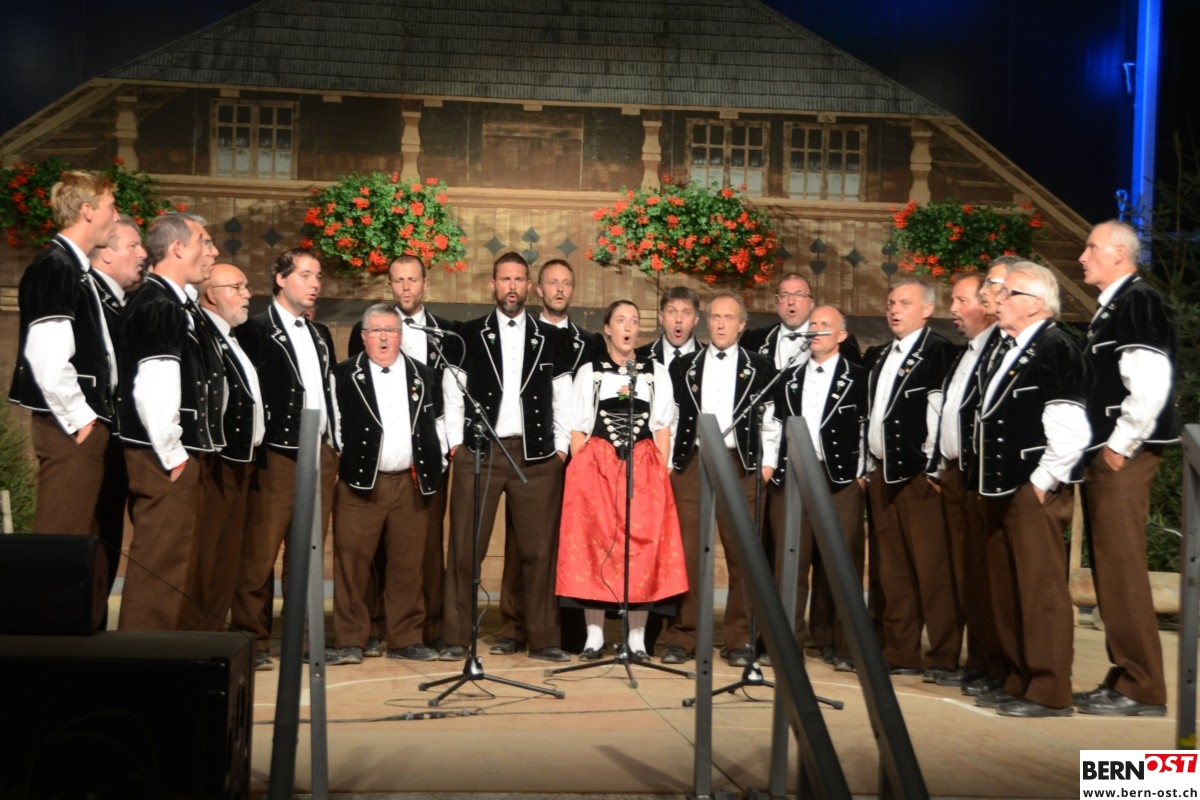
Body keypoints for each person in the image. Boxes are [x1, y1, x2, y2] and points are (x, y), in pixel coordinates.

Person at [439, 252, 572, 663]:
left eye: (518, 279)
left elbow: (563, 397)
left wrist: (561, 449)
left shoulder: (550, 337)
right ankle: (455, 637)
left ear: (529, 286)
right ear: (492, 285)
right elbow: (452, 391)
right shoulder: (467, 334)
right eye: (504, 279)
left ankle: (543, 638)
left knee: (539, 552)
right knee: (465, 547)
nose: (511, 287)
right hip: (480, 451)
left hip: (537, 455)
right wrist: (455, 445)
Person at [974, 261, 1090, 717]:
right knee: (1008, 589)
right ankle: (1018, 678)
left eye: (1011, 293)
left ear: (1037, 303)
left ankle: (1049, 689)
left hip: (1030, 490)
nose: (1000, 299)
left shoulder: (1056, 347)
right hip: (1001, 488)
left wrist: (1040, 485)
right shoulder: (1014, 347)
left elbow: (1072, 432)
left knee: (1040, 592)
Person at [1074, 220, 1178, 717]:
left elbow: (1151, 381)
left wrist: (1120, 446)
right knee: (1111, 568)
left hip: (1123, 455)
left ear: (1119, 252)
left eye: (1091, 247)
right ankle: (1127, 678)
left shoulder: (1139, 301)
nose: (1082, 256)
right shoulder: (1116, 305)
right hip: (1111, 453)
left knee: (1121, 567)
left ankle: (1142, 687)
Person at [556, 300, 687, 660]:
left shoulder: (655, 372)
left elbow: (663, 426)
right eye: (620, 320)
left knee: (643, 548)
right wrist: (583, 470)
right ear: (607, 329)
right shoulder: (590, 372)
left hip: (643, 468)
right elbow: (578, 426)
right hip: (597, 469)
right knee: (594, 543)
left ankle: (637, 639)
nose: (628, 327)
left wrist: (660, 470)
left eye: (634, 320)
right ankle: (594, 636)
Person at [231, 248, 339, 670]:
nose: (315, 284)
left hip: (319, 453)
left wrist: (335, 444)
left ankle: (304, 641)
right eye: (306, 275)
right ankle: (251, 639)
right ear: (280, 278)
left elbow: (328, 391)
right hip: (276, 455)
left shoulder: (321, 334)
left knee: (307, 555)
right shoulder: (255, 330)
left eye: (318, 276)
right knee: (258, 553)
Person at [116, 212, 224, 631]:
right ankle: (142, 657)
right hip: (162, 456)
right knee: (160, 562)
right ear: (177, 247)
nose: (213, 251)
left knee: (174, 561)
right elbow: (153, 386)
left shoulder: (174, 303)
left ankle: (161, 652)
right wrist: (173, 454)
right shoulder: (158, 304)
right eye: (205, 241)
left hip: (172, 454)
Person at [348, 254, 458, 653]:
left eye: (413, 279)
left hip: (426, 458)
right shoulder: (365, 330)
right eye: (398, 280)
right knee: (369, 550)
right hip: (375, 461)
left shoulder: (445, 333)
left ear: (425, 283)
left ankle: (423, 629)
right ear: (390, 285)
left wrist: (445, 449)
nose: (406, 287)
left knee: (420, 548)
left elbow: (448, 398)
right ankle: (370, 628)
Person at [662, 292, 779, 667]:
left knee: (743, 553)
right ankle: (684, 635)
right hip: (693, 461)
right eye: (715, 317)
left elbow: (772, 419)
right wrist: (670, 464)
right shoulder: (685, 366)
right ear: (706, 322)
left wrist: (767, 465)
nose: (722, 324)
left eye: (729, 318)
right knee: (688, 552)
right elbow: (671, 417)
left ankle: (740, 639)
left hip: (740, 463)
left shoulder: (761, 365)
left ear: (742, 324)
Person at [495, 257, 604, 655]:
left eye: (566, 283)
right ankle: (514, 626)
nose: (559, 289)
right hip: (535, 453)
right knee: (521, 542)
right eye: (552, 283)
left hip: (578, 455)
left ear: (573, 290)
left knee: (571, 541)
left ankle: (567, 628)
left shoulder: (589, 342)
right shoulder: (522, 331)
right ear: (538, 289)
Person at [328, 304, 446, 665]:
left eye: (390, 331)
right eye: (376, 331)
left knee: (407, 564)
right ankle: (351, 639)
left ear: (400, 336)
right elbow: (335, 425)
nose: (383, 337)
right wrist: (348, 460)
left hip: (410, 483)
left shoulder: (423, 374)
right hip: (360, 483)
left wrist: (436, 463)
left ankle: (405, 638)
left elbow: (438, 424)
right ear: (364, 336)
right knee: (352, 563)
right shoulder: (343, 375)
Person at [10, 171, 120, 548]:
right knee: (60, 538)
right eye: (111, 207)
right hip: (68, 426)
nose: (116, 216)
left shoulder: (74, 268)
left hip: (78, 424)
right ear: (88, 210)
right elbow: (46, 354)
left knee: (76, 541)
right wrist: (80, 419)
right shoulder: (55, 266)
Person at [763, 305, 867, 672]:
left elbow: (865, 425)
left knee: (842, 563)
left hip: (840, 479)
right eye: (813, 324)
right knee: (789, 564)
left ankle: (842, 645)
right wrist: (771, 467)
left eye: (825, 324)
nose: (816, 329)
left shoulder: (858, 376)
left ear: (841, 335)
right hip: (793, 476)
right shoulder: (789, 377)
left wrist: (861, 474)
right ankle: (786, 645)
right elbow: (774, 425)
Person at [865, 277, 957, 677]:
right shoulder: (882, 354)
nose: (894, 309)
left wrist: (934, 469)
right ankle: (901, 652)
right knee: (894, 570)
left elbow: (940, 414)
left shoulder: (938, 351)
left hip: (920, 477)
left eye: (904, 302)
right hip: (883, 473)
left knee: (932, 569)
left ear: (927, 309)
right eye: (890, 303)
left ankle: (944, 655)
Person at [926, 272, 998, 688]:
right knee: (958, 570)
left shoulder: (995, 352)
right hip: (954, 472)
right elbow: (948, 415)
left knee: (982, 572)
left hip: (979, 474)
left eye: (961, 301)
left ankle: (991, 662)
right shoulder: (965, 353)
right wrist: (938, 463)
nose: (952, 309)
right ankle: (975, 660)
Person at [189, 263, 265, 631]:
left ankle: (213, 631)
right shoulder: (204, 335)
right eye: (237, 287)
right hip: (218, 460)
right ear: (211, 294)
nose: (247, 294)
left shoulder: (231, 337)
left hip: (241, 461)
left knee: (227, 555)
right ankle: (195, 631)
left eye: (246, 287)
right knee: (207, 554)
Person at [85, 215, 146, 595]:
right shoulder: (86, 292)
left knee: (107, 531)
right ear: (105, 253)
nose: (142, 254)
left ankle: (93, 617)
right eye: (133, 246)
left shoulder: (123, 301)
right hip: (92, 432)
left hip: (118, 437)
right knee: (85, 531)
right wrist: (82, 421)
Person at [741, 271, 861, 367]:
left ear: (811, 303)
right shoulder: (753, 339)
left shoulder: (838, 340)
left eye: (799, 295)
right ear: (776, 303)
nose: (791, 302)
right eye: (784, 295)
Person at [635, 285, 704, 370]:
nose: (678, 319)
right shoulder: (639, 357)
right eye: (672, 312)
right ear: (661, 317)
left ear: (696, 319)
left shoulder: (708, 358)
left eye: (686, 313)